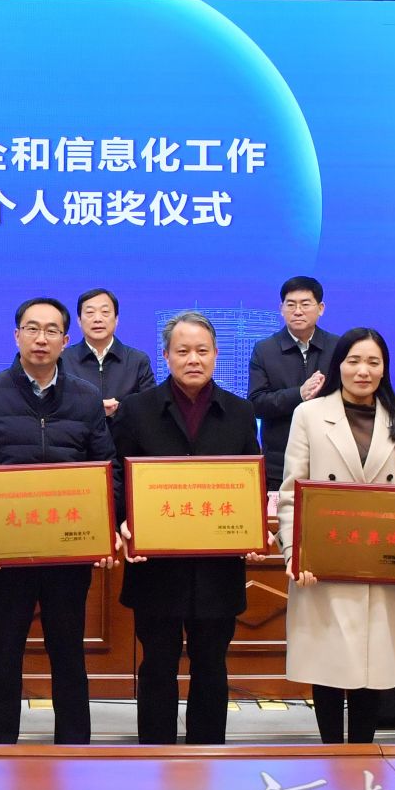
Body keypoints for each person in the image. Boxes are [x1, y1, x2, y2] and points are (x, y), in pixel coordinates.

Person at [0, 296, 115, 745]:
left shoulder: (85, 397)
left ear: (65, 340)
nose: (40, 338)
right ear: (16, 336)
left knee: (69, 654)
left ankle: (74, 748)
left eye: (51, 330)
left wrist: (106, 529)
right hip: (7, 553)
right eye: (31, 328)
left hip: (68, 552)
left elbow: (106, 468)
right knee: (4, 653)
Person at [112, 311, 263, 745]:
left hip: (217, 568)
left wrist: (253, 528)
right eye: (182, 351)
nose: (193, 359)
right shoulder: (137, 410)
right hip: (156, 567)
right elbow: (117, 475)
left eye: (202, 350)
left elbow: (252, 478)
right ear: (166, 356)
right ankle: (154, 753)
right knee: (157, 664)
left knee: (211, 664)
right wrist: (123, 522)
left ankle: (208, 755)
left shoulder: (239, 411)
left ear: (215, 354)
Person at [282, 327, 395, 744]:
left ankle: (363, 752)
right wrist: (294, 553)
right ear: (339, 365)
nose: (363, 370)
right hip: (323, 565)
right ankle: (331, 751)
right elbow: (292, 493)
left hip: (381, 566)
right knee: (327, 665)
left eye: (373, 362)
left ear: (384, 369)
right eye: (354, 361)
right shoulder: (309, 415)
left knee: (373, 667)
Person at [250, 276, 339, 499]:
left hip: (331, 460)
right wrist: (299, 394)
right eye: (291, 304)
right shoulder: (265, 350)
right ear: (281, 309)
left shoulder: (338, 347)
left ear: (321, 308)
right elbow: (256, 404)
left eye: (305, 304)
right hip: (280, 463)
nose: (298, 311)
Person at [64, 287, 157, 418]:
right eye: (90, 312)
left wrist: (118, 410)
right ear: (79, 320)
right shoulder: (62, 360)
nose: (97, 319)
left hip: (123, 430)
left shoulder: (137, 361)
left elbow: (151, 407)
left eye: (105, 312)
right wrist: (92, 409)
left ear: (116, 319)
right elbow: (53, 408)